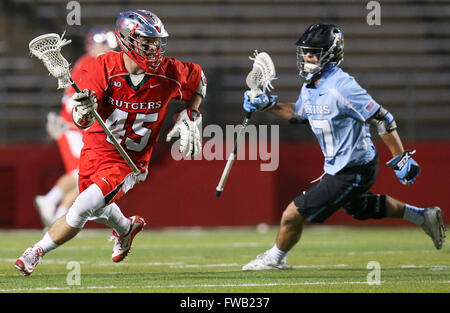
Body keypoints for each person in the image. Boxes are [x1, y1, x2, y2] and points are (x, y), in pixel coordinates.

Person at [15, 9, 206, 276]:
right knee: (96, 208)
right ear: (127, 39)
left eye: (156, 42)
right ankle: (127, 228)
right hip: (95, 149)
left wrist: (192, 112)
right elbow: (81, 121)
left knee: (83, 206)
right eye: (147, 42)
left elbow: (199, 81)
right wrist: (83, 110)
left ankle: (35, 252)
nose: (154, 49)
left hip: (129, 160)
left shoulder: (169, 71)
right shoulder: (102, 67)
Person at [241, 24, 446, 271]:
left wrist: (401, 158)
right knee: (359, 208)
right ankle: (424, 216)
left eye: (314, 52)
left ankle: (275, 259)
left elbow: (382, 118)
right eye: (305, 51)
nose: (307, 57)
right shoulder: (311, 85)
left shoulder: (342, 87)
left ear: (331, 53)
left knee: (292, 213)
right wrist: (268, 105)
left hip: (355, 168)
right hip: (341, 166)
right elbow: (298, 114)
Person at [35, 28, 118, 229]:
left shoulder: (102, 64)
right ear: (93, 45)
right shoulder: (88, 64)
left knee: (86, 177)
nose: (107, 49)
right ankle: (51, 200)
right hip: (72, 126)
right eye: (103, 45)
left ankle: (58, 216)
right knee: (80, 171)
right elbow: (73, 99)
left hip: (82, 128)